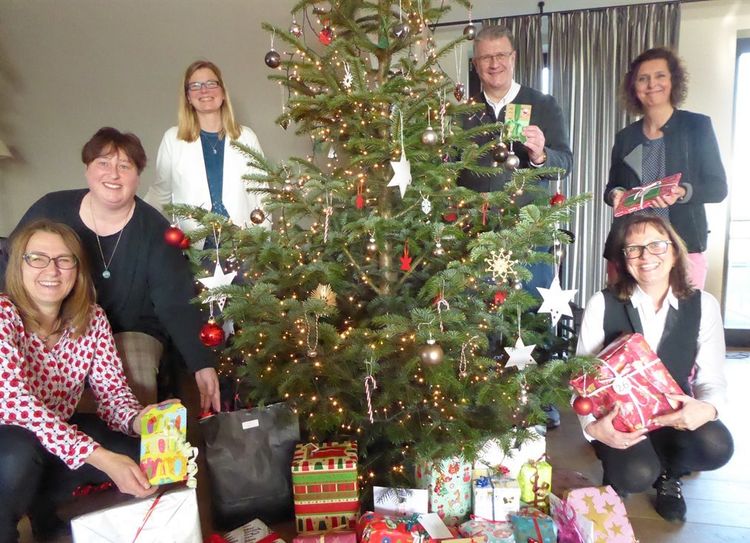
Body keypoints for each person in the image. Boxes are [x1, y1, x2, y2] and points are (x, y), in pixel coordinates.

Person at [3, 127, 220, 412]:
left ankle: (124, 451)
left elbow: (175, 302)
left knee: (135, 385)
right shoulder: (50, 208)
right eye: (103, 163)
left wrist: (201, 363)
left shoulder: (156, 230)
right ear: (87, 170)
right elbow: (11, 262)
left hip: (130, 329)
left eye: (124, 166)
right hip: (49, 322)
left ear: (138, 176)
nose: (113, 174)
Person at [0, 219, 162, 542]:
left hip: (58, 438)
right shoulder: (3, 315)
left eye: (64, 260)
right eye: (37, 258)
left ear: (77, 268)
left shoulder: (92, 317)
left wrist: (141, 419)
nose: (52, 270)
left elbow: (113, 394)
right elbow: (15, 405)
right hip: (8, 441)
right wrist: (100, 457)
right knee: (17, 454)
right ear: (18, 265)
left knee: (142, 453)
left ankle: (50, 515)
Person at [575, 214, 733, 522]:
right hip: (621, 418)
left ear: (674, 251)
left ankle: (669, 476)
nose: (646, 256)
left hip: (674, 414)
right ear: (625, 259)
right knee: (635, 474)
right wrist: (593, 429)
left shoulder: (703, 305)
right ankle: (623, 469)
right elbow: (582, 382)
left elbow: (712, 379)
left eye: (657, 245)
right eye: (633, 249)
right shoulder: (602, 303)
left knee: (718, 446)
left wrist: (708, 409)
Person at [604, 47, 727, 290]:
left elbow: (718, 188)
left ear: (673, 81)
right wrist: (615, 194)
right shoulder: (625, 137)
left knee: (681, 323)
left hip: (684, 247)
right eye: (643, 78)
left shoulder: (697, 126)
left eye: (660, 76)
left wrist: (682, 192)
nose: (652, 84)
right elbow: (612, 187)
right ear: (634, 87)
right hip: (630, 251)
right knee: (627, 324)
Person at [145, 59, 268, 234]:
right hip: (193, 248)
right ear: (188, 97)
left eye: (211, 83)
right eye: (195, 85)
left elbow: (263, 194)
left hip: (243, 244)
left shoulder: (246, 137)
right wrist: (132, 221)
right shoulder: (173, 139)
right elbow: (160, 194)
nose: (204, 90)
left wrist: (260, 238)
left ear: (223, 92)